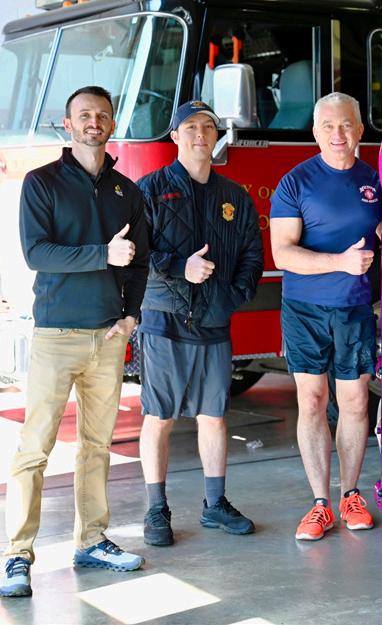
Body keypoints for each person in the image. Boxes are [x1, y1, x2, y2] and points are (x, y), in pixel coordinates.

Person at [1, 86, 149, 598]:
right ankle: (17, 555)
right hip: (56, 334)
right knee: (34, 448)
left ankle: (91, 540)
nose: (93, 122)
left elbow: (140, 262)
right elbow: (36, 253)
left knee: (96, 447)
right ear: (68, 124)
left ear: (111, 124)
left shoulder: (127, 191)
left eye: (102, 115)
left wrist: (131, 316)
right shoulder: (42, 182)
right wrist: (101, 254)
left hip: (107, 337)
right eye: (84, 115)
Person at [137, 101, 263, 546]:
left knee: (214, 415)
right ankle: (156, 509)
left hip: (213, 320)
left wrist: (231, 297)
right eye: (189, 127)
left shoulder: (235, 196)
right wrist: (180, 267)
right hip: (164, 318)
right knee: (159, 416)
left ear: (216, 136)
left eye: (208, 127)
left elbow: (252, 254)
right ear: (174, 136)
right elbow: (134, 255)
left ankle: (215, 504)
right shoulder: (150, 189)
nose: (200, 134)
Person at [270, 92, 382, 541]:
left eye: (346, 124)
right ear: (315, 132)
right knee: (313, 401)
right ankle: (320, 504)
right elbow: (282, 253)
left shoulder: (375, 180)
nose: (338, 134)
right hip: (305, 310)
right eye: (329, 126)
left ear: (359, 130)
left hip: (355, 308)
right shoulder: (295, 182)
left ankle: (350, 494)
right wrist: (340, 262)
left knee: (354, 403)